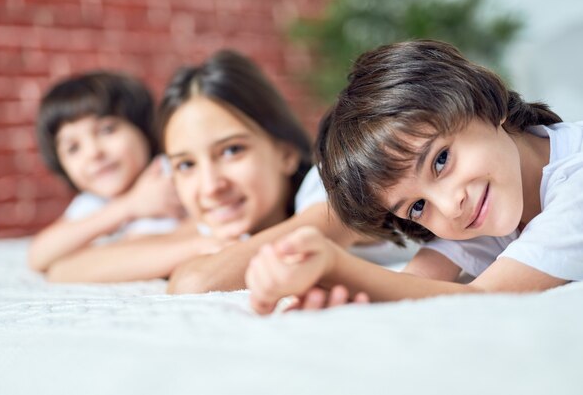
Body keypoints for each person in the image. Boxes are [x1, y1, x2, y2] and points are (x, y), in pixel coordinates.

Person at [245, 39, 583, 314]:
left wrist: (335, 265)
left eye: (441, 160)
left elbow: (486, 298)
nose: (451, 207)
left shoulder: (575, 177)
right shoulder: (483, 201)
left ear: (484, 102)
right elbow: (417, 286)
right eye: (417, 207)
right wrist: (330, 291)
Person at [158, 50, 395, 296]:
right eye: (186, 165)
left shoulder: (335, 189)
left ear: (286, 153)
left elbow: (196, 283)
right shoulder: (226, 220)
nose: (210, 187)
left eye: (232, 150)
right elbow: (117, 257)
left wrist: (206, 255)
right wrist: (198, 243)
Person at [29, 71, 223, 282]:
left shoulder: (168, 173)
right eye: (73, 148)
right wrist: (129, 206)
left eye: (107, 129)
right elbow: (39, 256)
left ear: (143, 129)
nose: (94, 153)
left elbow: (215, 224)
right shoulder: (94, 203)